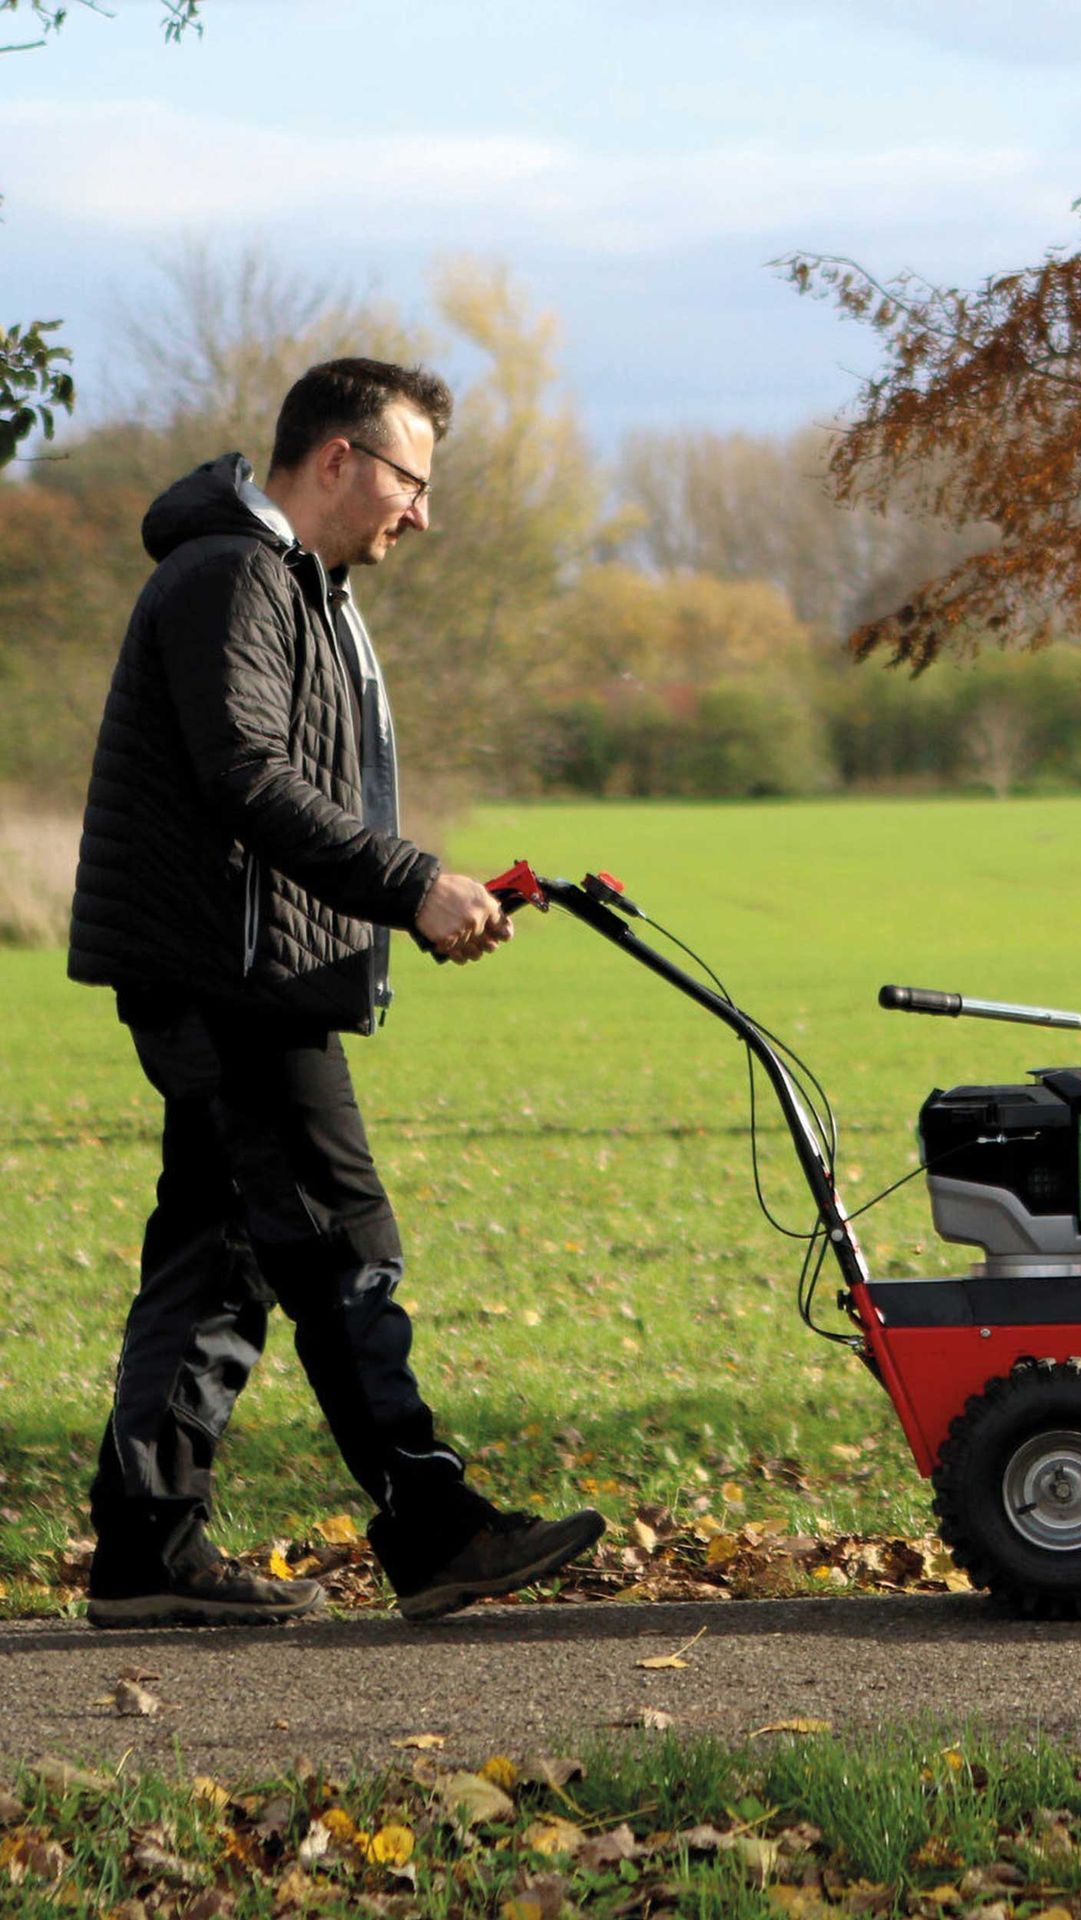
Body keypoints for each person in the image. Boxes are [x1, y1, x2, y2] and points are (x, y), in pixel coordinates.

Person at [68, 357, 605, 1627]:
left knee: (219, 1258)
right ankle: (435, 1526)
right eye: (412, 482)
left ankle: (146, 1551)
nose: (423, 513)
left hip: (248, 975)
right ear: (337, 460)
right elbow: (248, 777)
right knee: (339, 1239)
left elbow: (290, 791)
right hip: (231, 982)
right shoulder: (232, 577)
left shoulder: (300, 588)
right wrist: (412, 886)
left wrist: (411, 898)